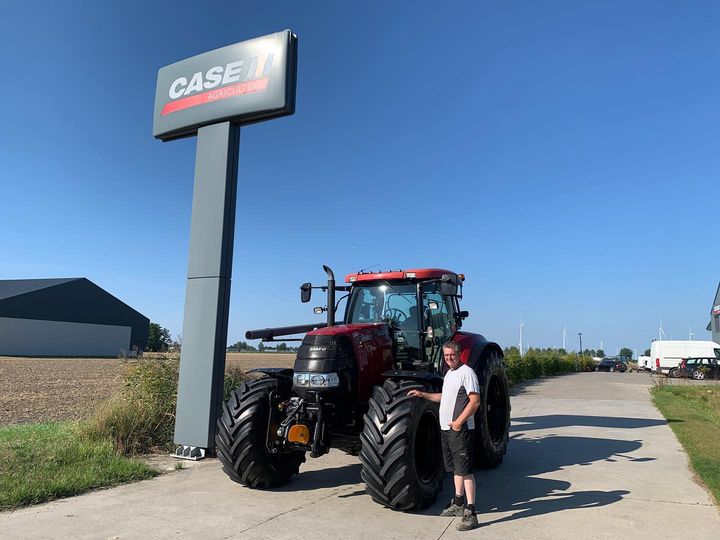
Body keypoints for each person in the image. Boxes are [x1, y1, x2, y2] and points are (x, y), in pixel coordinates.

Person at [407, 341, 481, 531]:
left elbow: (475, 402)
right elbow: (444, 397)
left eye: (452, 355)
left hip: (460, 430)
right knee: (456, 469)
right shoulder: (449, 374)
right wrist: (422, 395)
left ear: (459, 354)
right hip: (447, 429)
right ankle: (458, 503)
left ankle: (471, 512)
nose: (449, 358)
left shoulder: (467, 373)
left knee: (465, 471)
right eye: (446, 355)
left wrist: (458, 422)